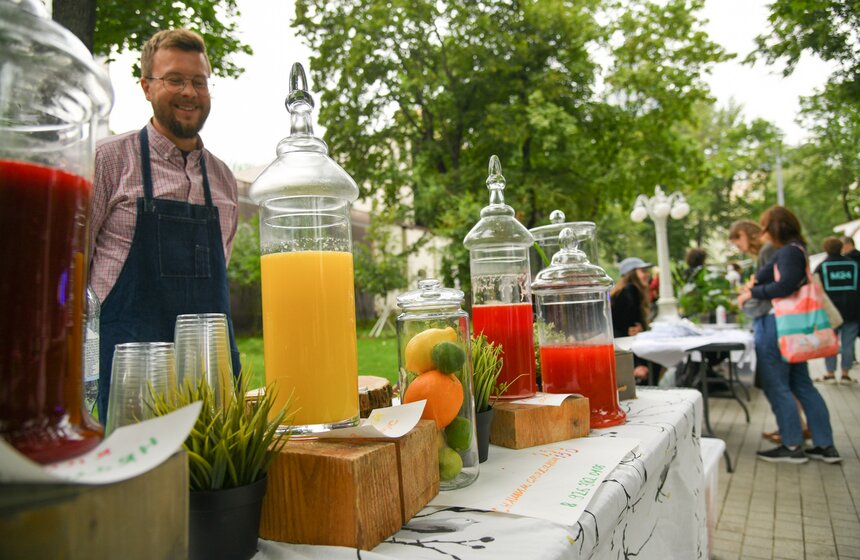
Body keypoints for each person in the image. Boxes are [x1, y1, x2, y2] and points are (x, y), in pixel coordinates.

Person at [90, 29, 241, 421]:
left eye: (199, 82)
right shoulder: (108, 161)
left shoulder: (224, 181)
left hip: (211, 387)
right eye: (175, 79)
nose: (189, 92)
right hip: (129, 382)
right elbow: (68, 273)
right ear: (146, 86)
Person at [737, 206, 842, 464]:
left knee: (779, 385)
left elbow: (784, 285)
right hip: (791, 327)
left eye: (765, 226)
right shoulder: (795, 250)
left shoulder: (787, 252)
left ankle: (792, 444)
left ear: (774, 228)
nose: (762, 232)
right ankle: (824, 445)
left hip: (778, 324)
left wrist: (752, 293)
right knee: (801, 384)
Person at [814, 237, 859, 384]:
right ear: (841, 247)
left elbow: (816, 289)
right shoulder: (854, 265)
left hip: (830, 313)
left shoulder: (821, 267)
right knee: (848, 344)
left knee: (830, 343)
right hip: (852, 310)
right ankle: (845, 374)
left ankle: (830, 373)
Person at [611, 257, 655, 382]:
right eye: (643, 271)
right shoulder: (631, 290)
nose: (647, 274)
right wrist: (638, 364)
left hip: (620, 350)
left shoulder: (621, 291)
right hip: (627, 352)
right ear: (632, 274)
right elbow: (630, 331)